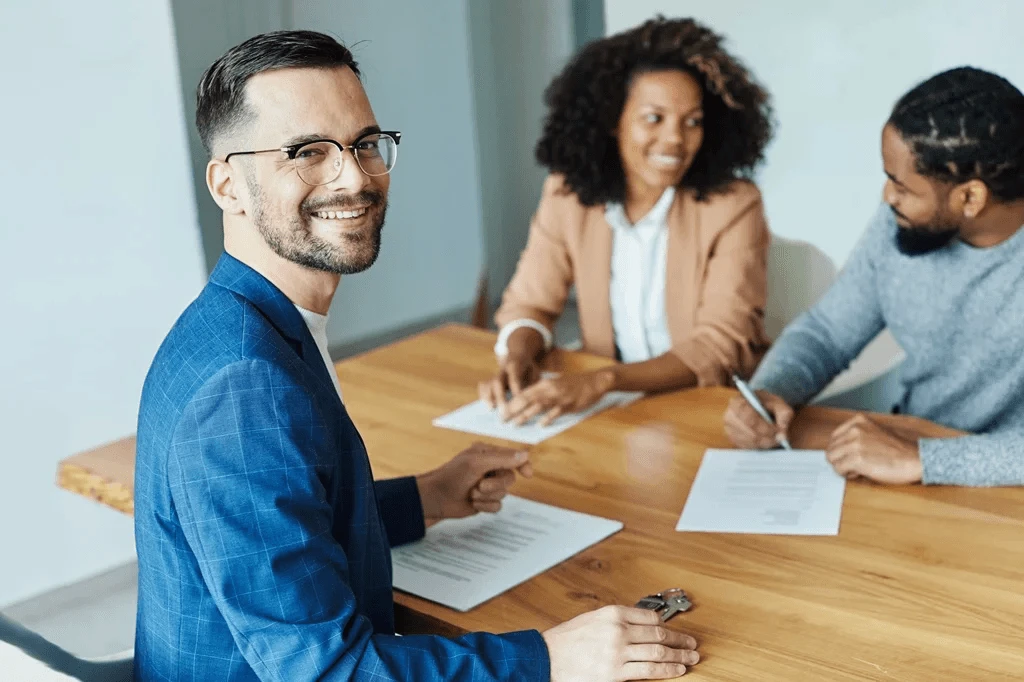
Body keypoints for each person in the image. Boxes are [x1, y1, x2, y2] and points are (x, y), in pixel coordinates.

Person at [133, 30, 701, 681]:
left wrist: (423, 498)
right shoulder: (245, 385)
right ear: (229, 185)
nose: (353, 176)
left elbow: (284, 518)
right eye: (306, 151)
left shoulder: (238, 324)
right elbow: (328, 672)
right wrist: (548, 658)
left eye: (364, 143)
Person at [724, 66, 1024, 487]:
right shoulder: (900, 223)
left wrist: (925, 460)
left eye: (902, 186)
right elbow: (828, 332)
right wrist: (775, 390)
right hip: (910, 464)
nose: (888, 197)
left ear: (970, 197)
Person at [479, 16, 774, 426]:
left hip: (706, 409)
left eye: (693, 122)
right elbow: (530, 302)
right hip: (615, 416)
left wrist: (605, 380)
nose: (675, 139)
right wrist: (518, 355)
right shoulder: (569, 195)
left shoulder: (734, 206)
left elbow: (717, 347)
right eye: (654, 118)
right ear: (612, 120)